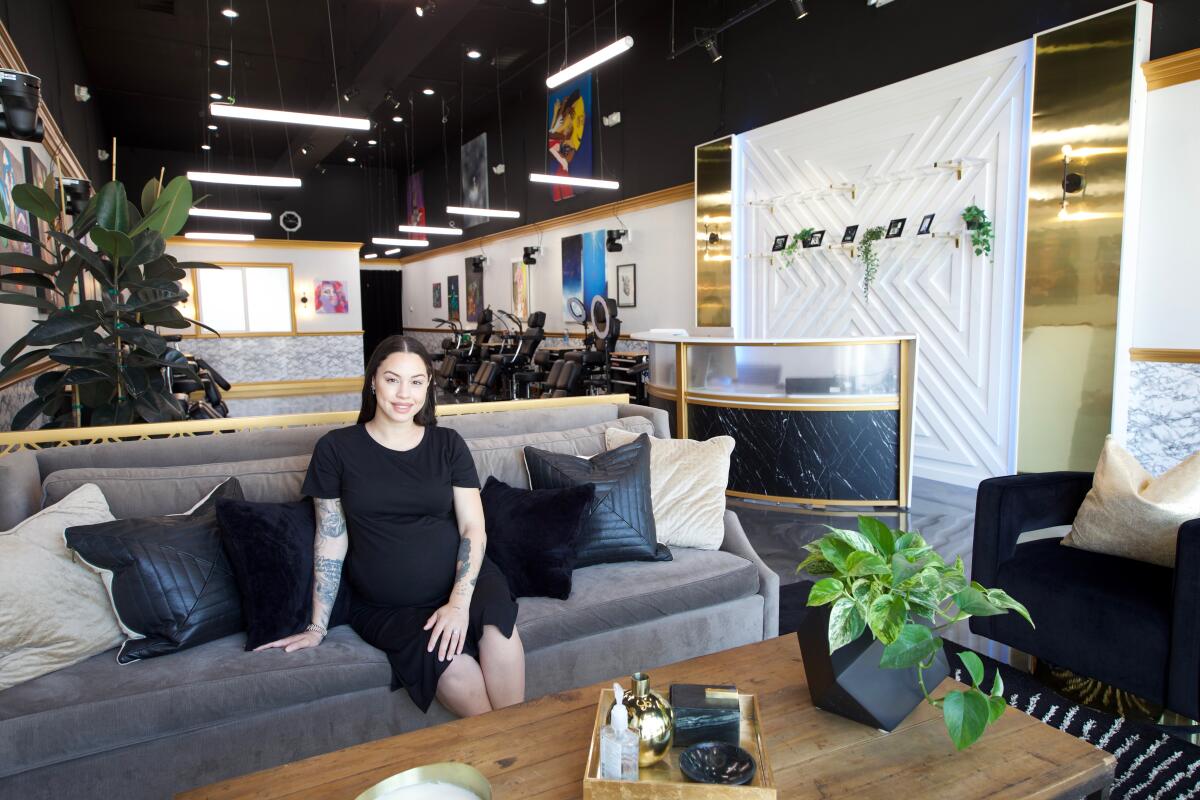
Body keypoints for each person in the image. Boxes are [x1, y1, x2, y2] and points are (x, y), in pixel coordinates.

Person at [256, 335, 525, 717]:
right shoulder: (335, 449)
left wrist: (458, 604)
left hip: (466, 584)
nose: (404, 394)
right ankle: (512, 755)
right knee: (457, 670)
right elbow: (331, 540)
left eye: (416, 381)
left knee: (499, 632)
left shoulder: (448, 444)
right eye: (392, 379)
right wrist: (317, 626)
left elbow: (473, 528)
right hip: (388, 606)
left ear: (428, 386)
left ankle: (524, 747)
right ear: (373, 382)